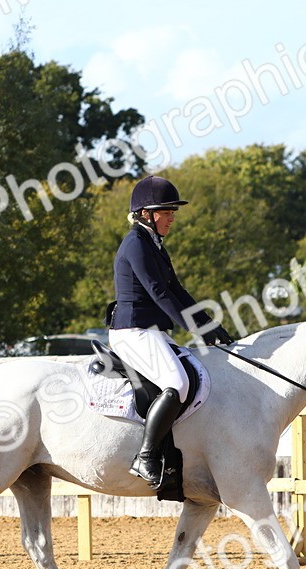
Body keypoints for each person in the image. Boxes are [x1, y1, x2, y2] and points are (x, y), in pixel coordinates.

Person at [106, 175, 234, 489]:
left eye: (172, 212)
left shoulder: (155, 245)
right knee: (176, 381)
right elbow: (158, 293)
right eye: (167, 212)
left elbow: (176, 289)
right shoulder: (136, 244)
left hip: (152, 331)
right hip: (133, 330)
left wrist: (209, 325)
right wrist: (195, 328)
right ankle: (146, 456)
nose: (172, 217)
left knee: (191, 376)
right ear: (146, 213)